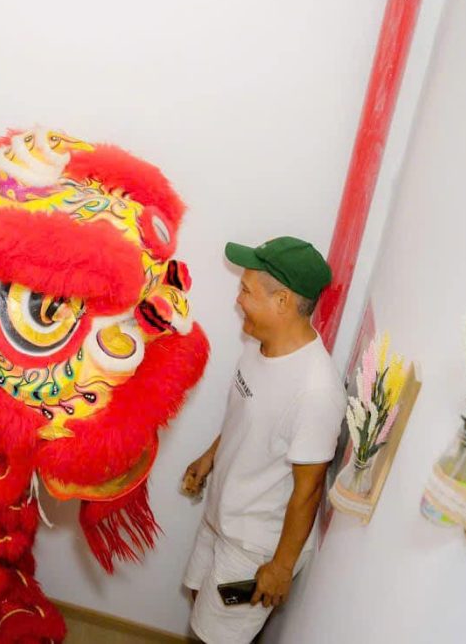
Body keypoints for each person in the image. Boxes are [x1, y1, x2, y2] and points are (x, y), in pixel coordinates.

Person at [180, 236, 345, 644]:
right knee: (199, 602)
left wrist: (281, 567)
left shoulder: (315, 391)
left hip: (251, 547)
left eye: (246, 290)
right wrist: (211, 456)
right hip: (222, 514)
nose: (238, 300)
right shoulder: (260, 345)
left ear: (282, 301)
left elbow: (308, 490)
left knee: (212, 638)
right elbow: (249, 418)